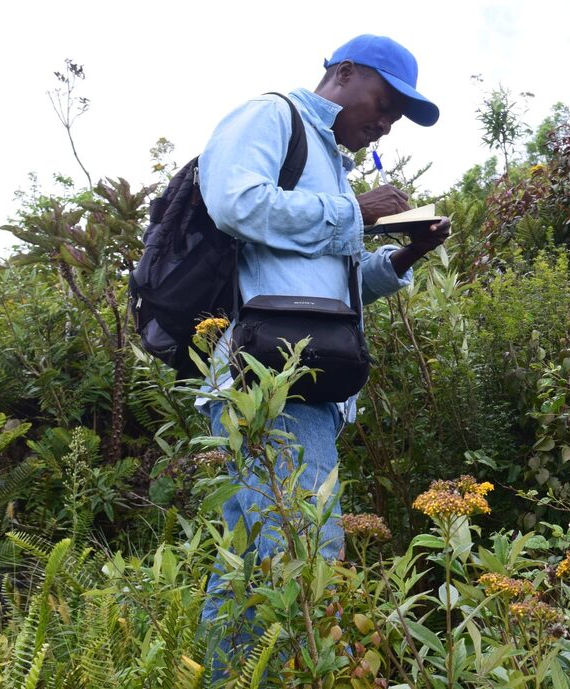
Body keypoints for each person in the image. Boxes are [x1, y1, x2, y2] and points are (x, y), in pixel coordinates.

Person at [195, 35, 448, 634]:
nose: (386, 125)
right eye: (384, 104)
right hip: (271, 379)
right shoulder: (272, 114)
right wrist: (352, 213)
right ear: (344, 72)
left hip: (301, 379)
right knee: (303, 558)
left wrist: (406, 256)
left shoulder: (332, 164)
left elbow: (330, 285)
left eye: (396, 118)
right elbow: (233, 202)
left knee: (252, 569)